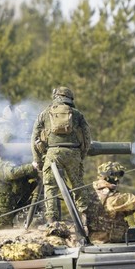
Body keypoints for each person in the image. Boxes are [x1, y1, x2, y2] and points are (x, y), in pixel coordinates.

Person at [31, 86, 93, 223]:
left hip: (52, 153)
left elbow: (34, 138)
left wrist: (38, 160)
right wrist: (80, 155)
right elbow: (87, 138)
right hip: (73, 152)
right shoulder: (77, 114)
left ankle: (52, 220)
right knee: (78, 186)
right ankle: (85, 218)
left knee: (50, 187)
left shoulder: (45, 113)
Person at [0, 104, 39, 228]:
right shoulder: (2, 161)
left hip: (5, 209)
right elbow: (11, 172)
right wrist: (32, 166)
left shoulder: (4, 127)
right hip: (0, 214)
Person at [88, 161, 135, 243]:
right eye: (117, 176)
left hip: (99, 242)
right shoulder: (111, 197)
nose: (119, 180)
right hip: (107, 244)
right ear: (110, 177)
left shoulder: (94, 193)